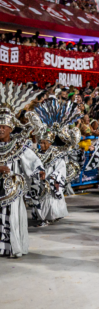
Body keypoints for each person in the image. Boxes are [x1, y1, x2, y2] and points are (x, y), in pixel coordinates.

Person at [0, 82, 46, 258]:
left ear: (11, 128)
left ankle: (12, 247)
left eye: (4, 126)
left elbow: (33, 160)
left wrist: (39, 170)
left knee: (11, 219)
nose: (1, 129)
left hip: (12, 191)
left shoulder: (18, 146)